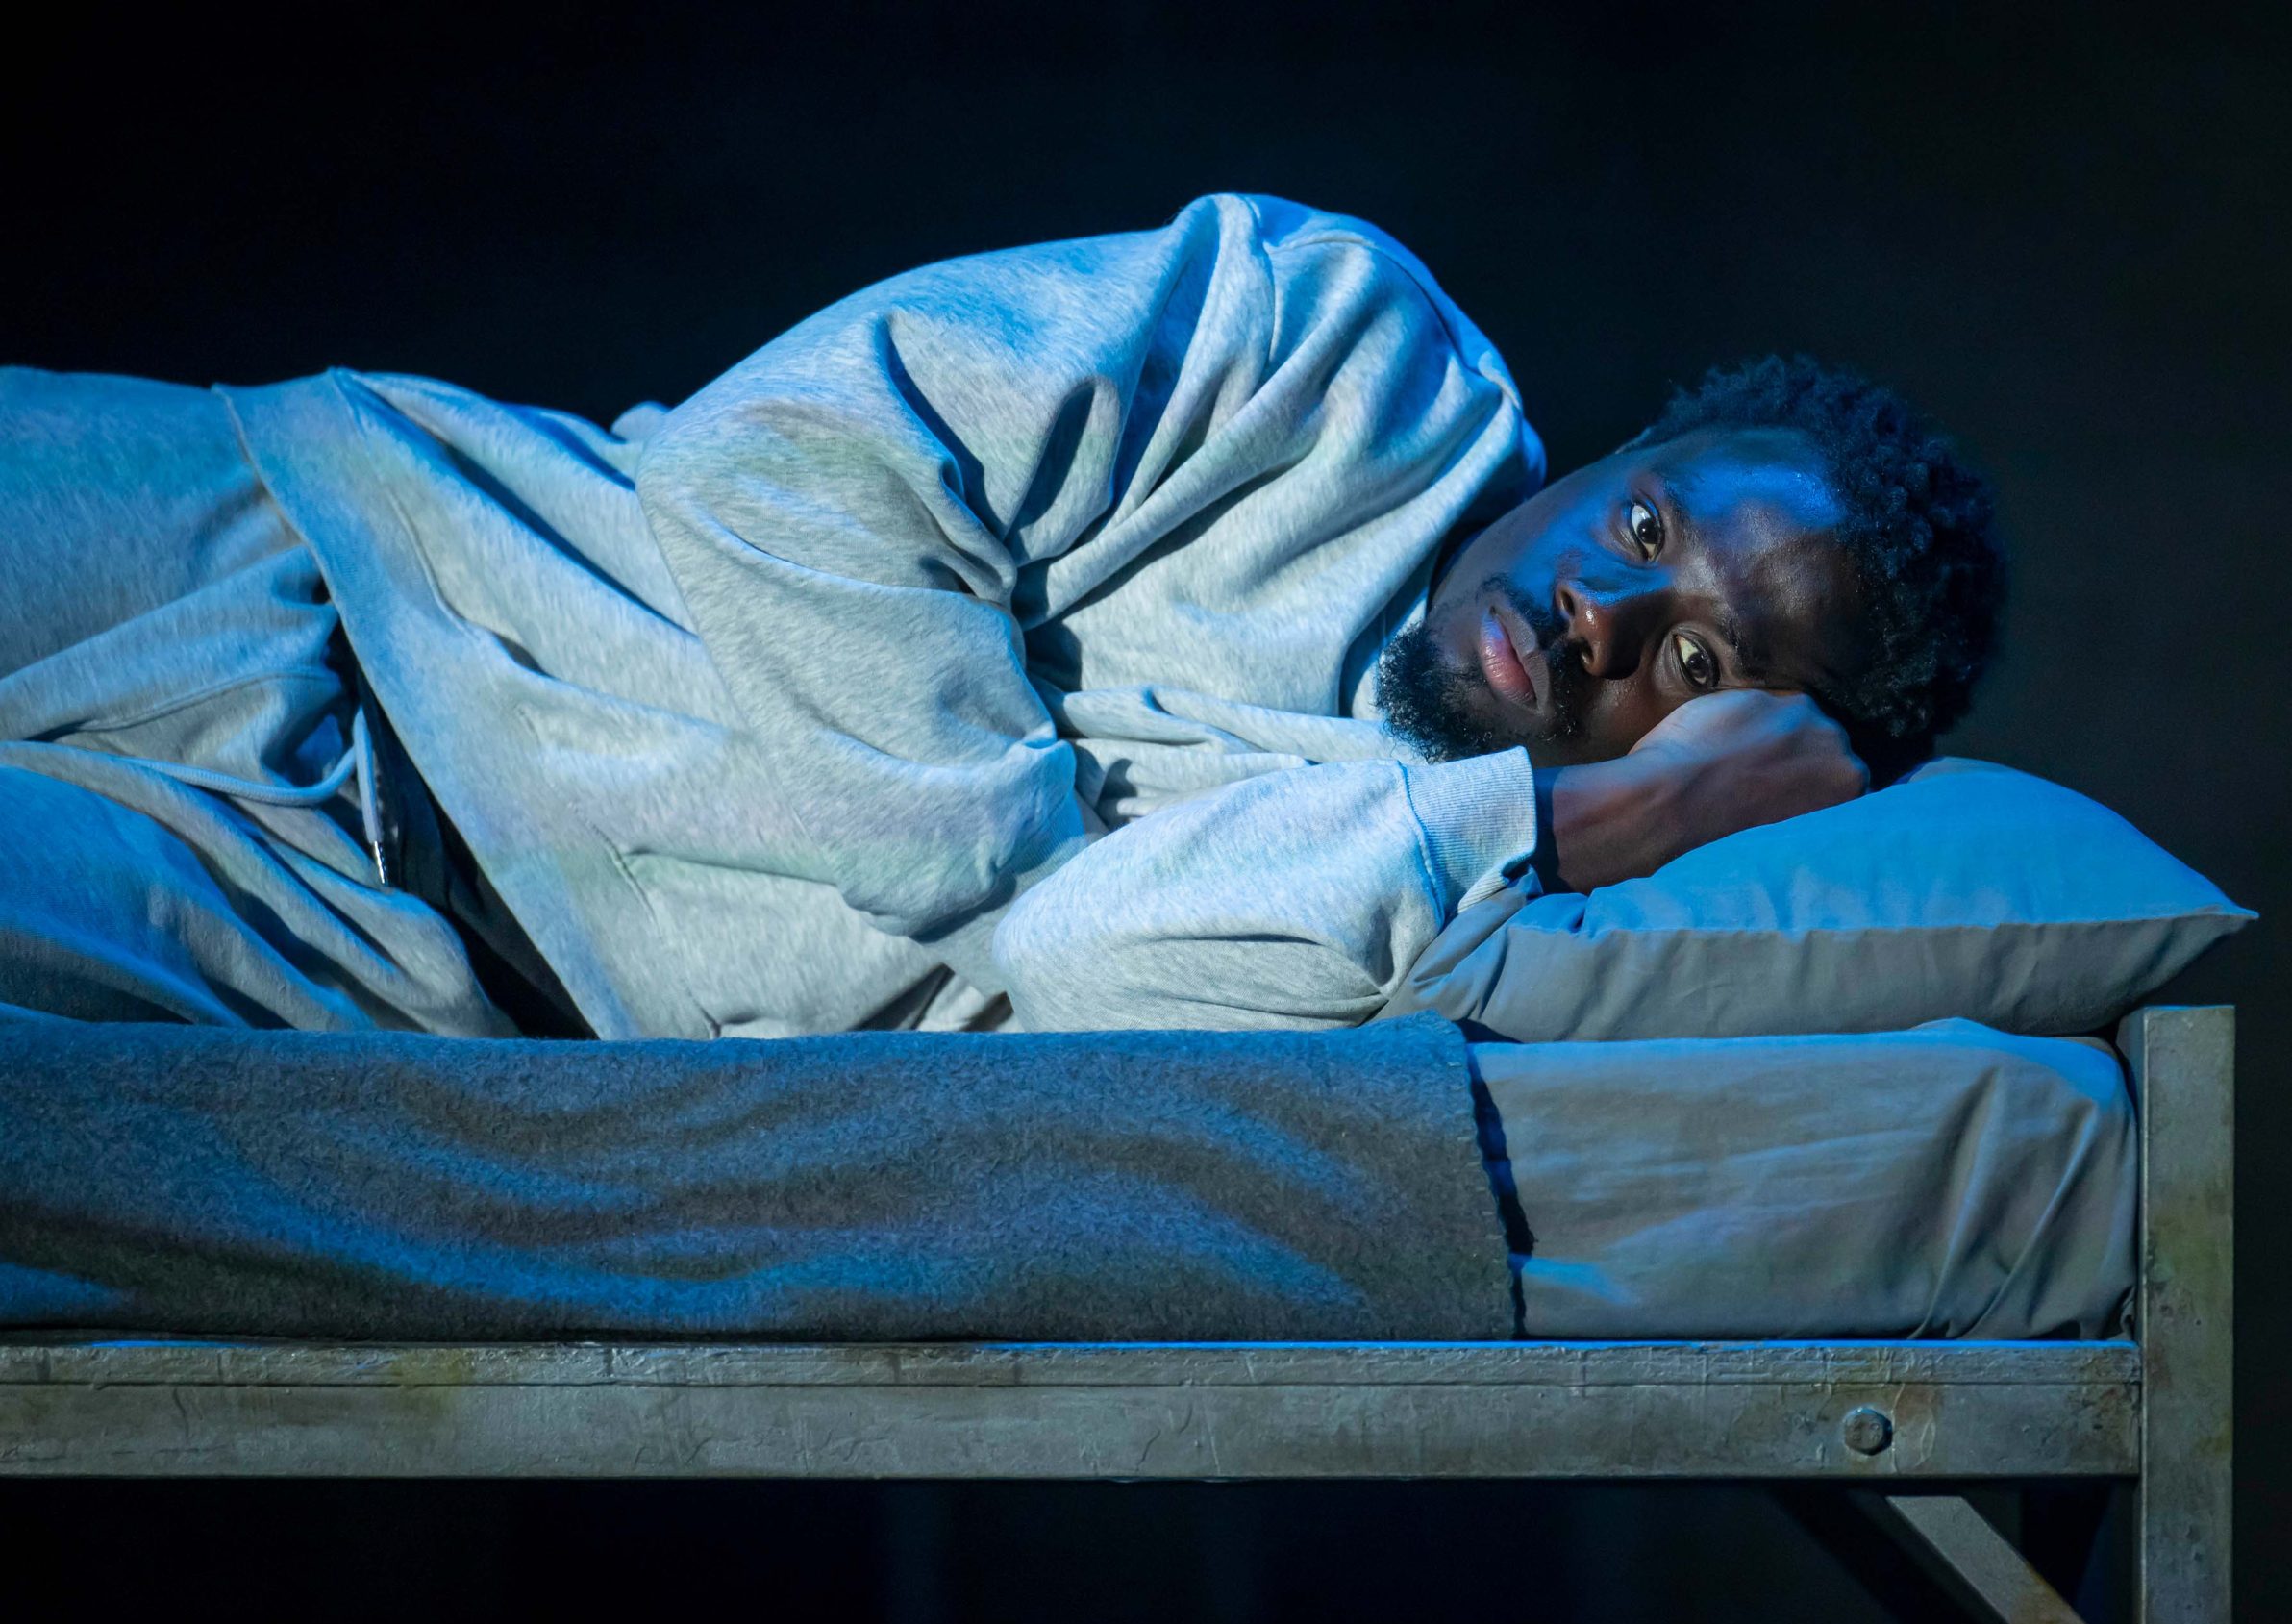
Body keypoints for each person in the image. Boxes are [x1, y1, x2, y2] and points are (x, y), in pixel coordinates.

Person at [0, 193, 2002, 1038]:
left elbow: (1077, 975)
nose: (1597, 610)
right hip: (327, 541)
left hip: (376, 946)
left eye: (1695, 662)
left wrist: (1558, 824)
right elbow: (788, 459)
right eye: (1644, 524)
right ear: (1610, 451)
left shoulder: (1426, 885)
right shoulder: (1329, 340)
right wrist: (990, 861)